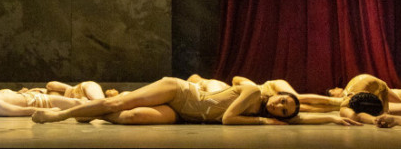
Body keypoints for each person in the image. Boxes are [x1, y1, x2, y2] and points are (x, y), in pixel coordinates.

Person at [31, 76, 360, 126]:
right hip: (180, 93)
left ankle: (89, 111)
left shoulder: (272, 114)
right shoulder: (255, 92)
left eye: (283, 111)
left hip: (184, 116)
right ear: (278, 96)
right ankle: (61, 115)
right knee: (119, 105)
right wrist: (266, 120)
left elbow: (302, 117)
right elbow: (228, 119)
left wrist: (333, 118)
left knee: (129, 117)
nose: (280, 107)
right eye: (282, 102)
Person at [295, 74, 401, 123]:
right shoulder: (345, 102)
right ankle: (296, 102)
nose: (336, 88)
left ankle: (296, 101)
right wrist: (375, 119)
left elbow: (383, 86)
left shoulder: (364, 85)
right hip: (372, 99)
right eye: (332, 91)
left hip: (381, 93)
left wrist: (384, 111)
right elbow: (356, 117)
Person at [0, 89, 85, 117]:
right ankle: (96, 105)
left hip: (31, 98)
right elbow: (20, 111)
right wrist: (46, 111)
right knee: (77, 102)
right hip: (38, 102)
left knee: (77, 102)